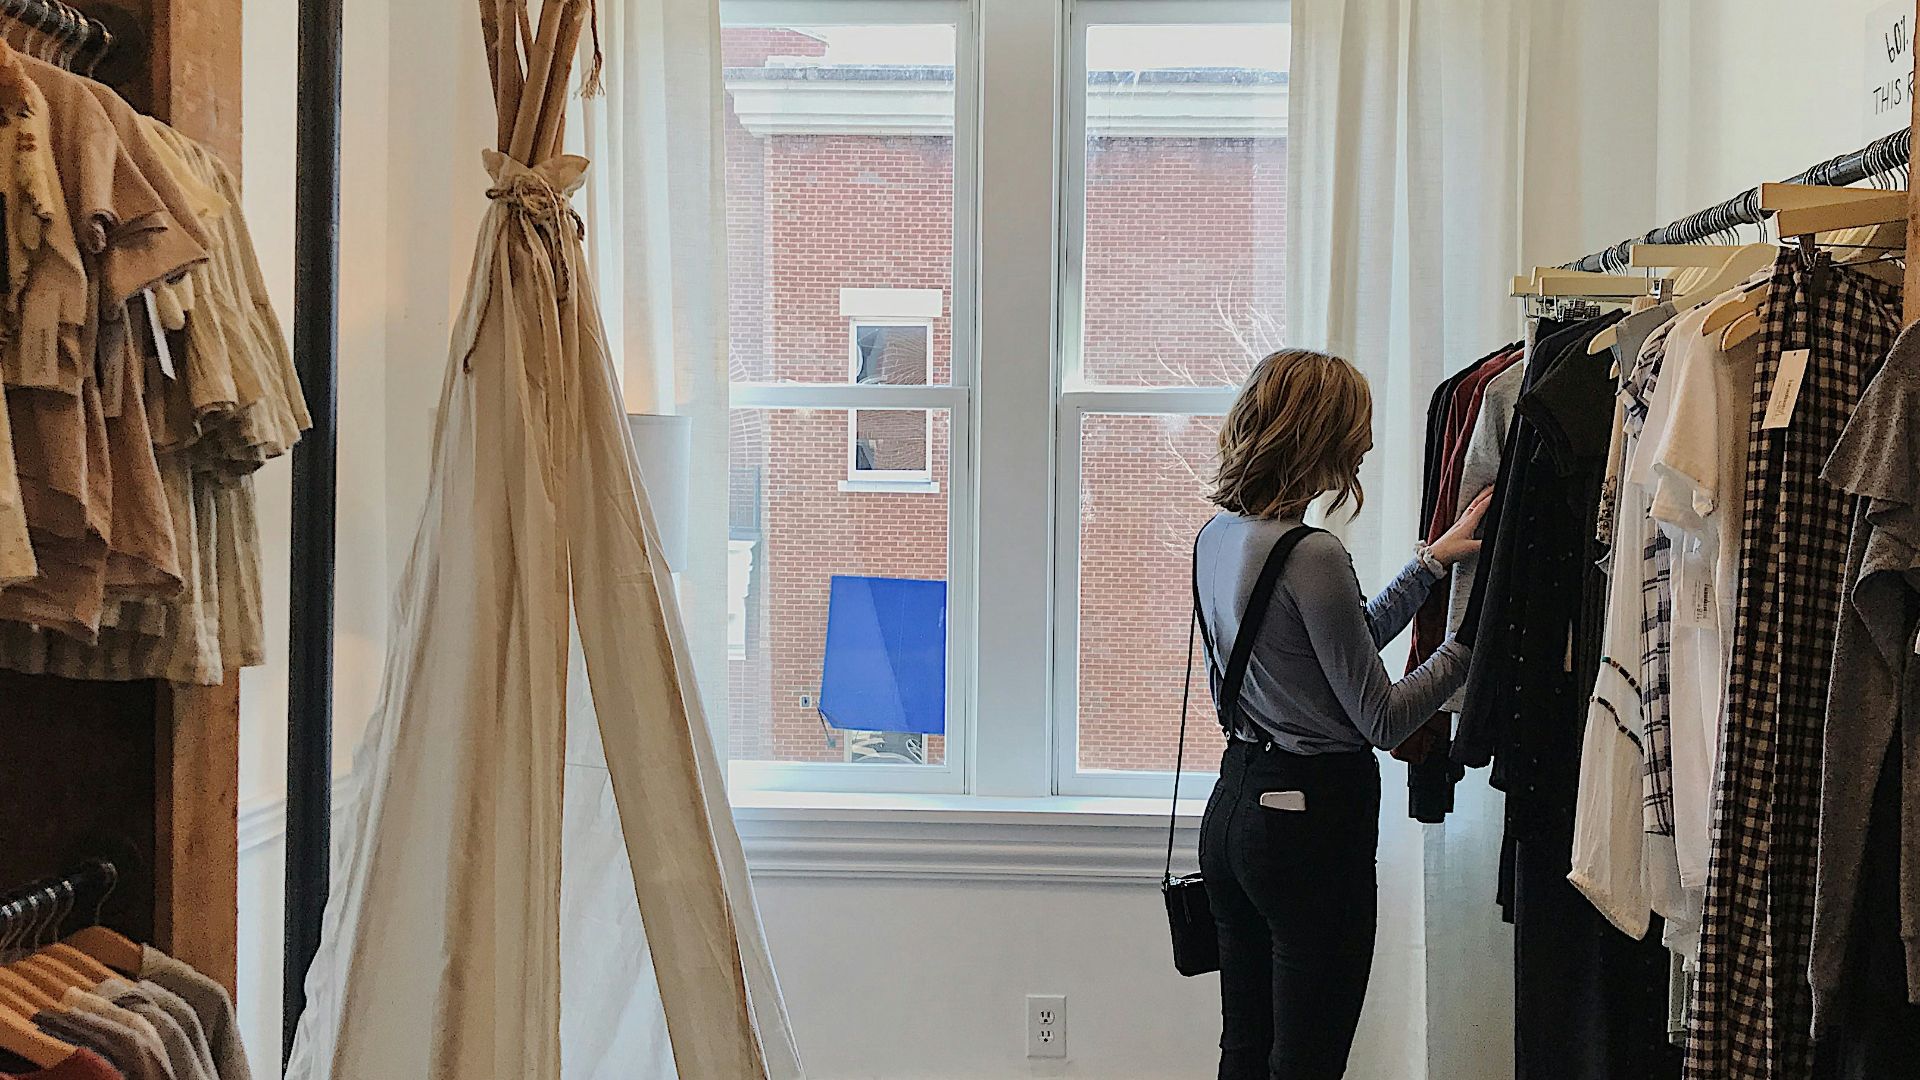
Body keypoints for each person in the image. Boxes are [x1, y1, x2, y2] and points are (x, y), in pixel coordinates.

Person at [1195, 348, 1491, 1080]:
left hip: (1235, 811)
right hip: (1309, 828)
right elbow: (1383, 720)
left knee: (1247, 1052)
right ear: (1320, 434)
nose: (1365, 442)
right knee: (1308, 1061)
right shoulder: (1312, 553)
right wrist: (1475, 638)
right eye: (1355, 426)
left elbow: (1335, 644)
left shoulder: (1219, 537)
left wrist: (1430, 565)